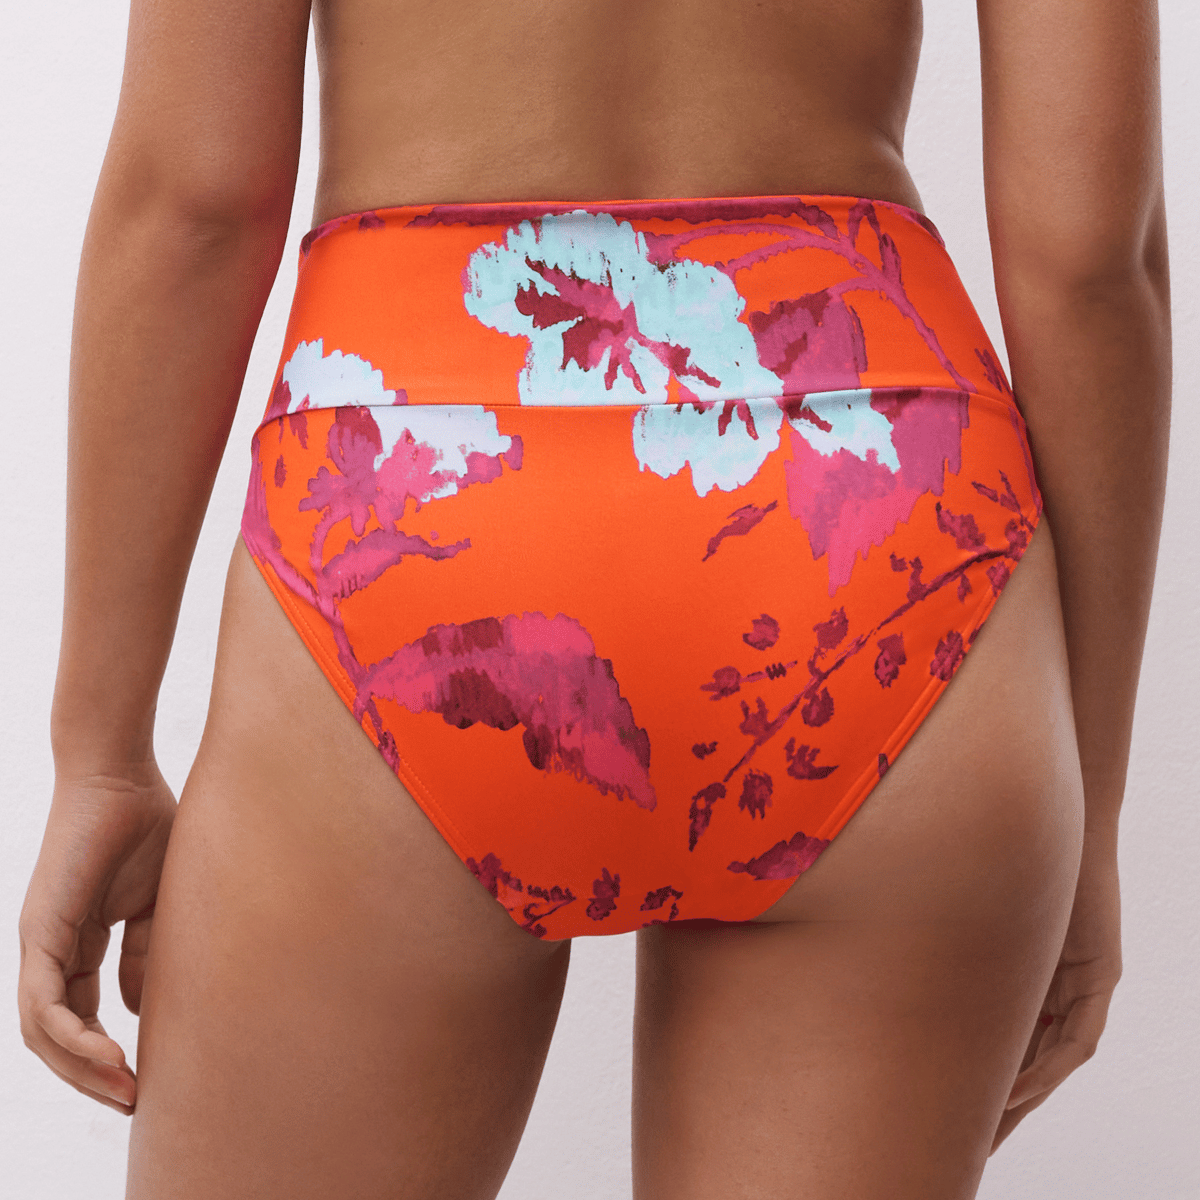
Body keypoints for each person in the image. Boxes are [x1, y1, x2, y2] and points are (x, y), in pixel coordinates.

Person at [17, 0, 1170, 1195]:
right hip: (876, 501)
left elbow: (197, 201)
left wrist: (100, 752)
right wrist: (1092, 803)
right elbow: (1092, 254)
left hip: (422, 486)